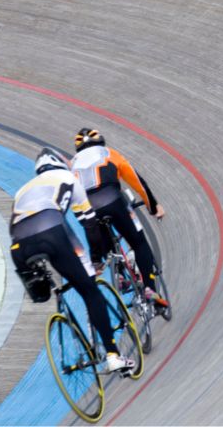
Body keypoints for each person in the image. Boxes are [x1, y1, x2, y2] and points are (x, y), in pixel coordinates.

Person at [9, 147, 136, 374]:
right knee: (90, 292)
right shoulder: (69, 178)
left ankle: (54, 304)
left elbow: (15, 226)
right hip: (52, 233)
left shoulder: (22, 190)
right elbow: (89, 224)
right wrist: (95, 259)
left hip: (19, 248)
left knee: (43, 292)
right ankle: (112, 355)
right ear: (60, 163)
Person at [70, 128, 169, 309]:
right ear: (100, 141)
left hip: (89, 210)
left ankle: (121, 277)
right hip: (114, 201)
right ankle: (150, 290)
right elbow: (137, 183)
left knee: (104, 242)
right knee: (139, 243)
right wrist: (153, 207)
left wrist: (94, 252)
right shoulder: (110, 153)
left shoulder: (72, 165)